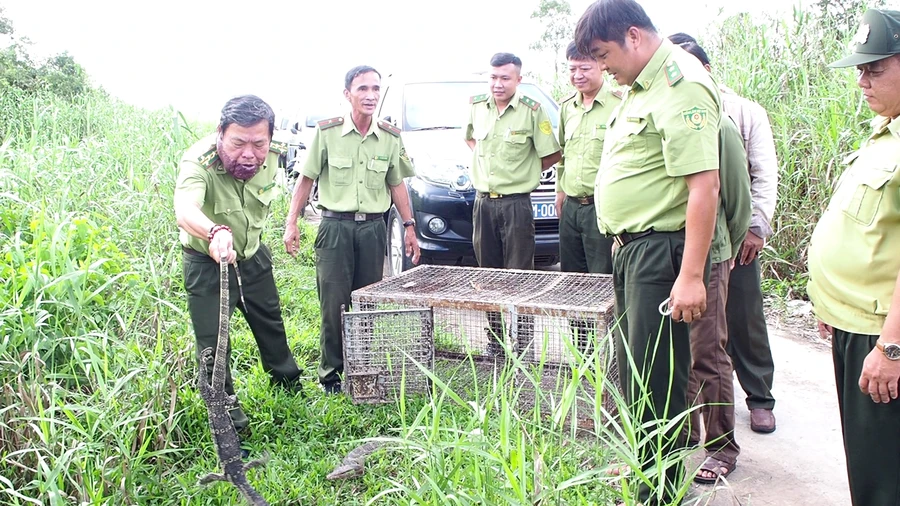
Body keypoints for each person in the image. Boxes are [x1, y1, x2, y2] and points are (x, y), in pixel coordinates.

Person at [574, 1, 722, 503]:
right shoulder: (640, 87)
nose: (603, 65)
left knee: (656, 384)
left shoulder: (681, 84)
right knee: (636, 376)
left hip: (660, 254)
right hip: (631, 252)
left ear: (633, 37)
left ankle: (655, 494)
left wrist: (691, 275)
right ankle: (645, 477)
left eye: (603, 53)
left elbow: (704, 186)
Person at [808, 9, 900, 506]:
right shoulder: (886, 130)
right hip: (855, 326)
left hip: (884, 336)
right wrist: (831, 304)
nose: (863, 81)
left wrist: (892, 347)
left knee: (884, 477)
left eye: (876, 69)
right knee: (866, 466)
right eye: (860, 70)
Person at [174, 94, 303, 445]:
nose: (249, 154)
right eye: (238, 143)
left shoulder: (273, 153)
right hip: (208, 262)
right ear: (220, 133)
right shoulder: (198, 162)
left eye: (258, 144)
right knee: (214, 343)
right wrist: (214, 232)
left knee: (271, 323)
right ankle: (228, 417)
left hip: (254, 256)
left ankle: (289, 384)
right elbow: (185, 208)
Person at [283, 65, 419, 395]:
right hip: (335, 229)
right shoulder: (327, 133)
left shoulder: (389, 137)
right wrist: (291, 223)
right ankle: (330, 376)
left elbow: (397, 183)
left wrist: (410, 226)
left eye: (375, 88)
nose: (370, 95)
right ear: (348, 95)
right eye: (362, 89)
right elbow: (306, 179)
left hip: (372, 230)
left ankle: (363, 370)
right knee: (334, 304)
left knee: (366, 303)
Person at [669, 32, 780, 436]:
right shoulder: (669, 107)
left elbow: (762, 174)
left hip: (738, 234)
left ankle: (760, 398)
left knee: (745, 320)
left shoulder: (742, 111)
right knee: (701, 334)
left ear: (707, 68)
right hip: (696, 238)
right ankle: (697, 415)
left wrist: (753, 231)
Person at [668, 34, 752, 484]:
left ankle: (721, 447)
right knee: (675, 352)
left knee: (707, 352)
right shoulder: (664, 114)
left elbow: (736, 200)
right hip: (667, 255)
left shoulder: (719, 124)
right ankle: (681, 434)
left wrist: (721, 251)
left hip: (710, 256)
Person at [464, 53, 561, 356]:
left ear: (518, 79)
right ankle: (495, 344)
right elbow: (470, 139)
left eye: (505, 78)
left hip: (517, 205)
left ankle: (524, 347)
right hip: (483, 204)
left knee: (521, 276)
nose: (498, 84)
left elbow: (551, 153)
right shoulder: (477, 106)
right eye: (493, 77)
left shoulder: (533, 110)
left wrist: (524, 172)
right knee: (487, 276)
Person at [556, 41, 621, 275]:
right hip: (571, 207)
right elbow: (563, 153)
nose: (577, 75)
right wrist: (560, 193)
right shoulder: (567, 107)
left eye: (584, 68)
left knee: (602, 276)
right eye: (572, 69)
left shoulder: (619, 103)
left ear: (601, 66)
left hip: (601, 207)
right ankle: (575, 315)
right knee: (571, 278)